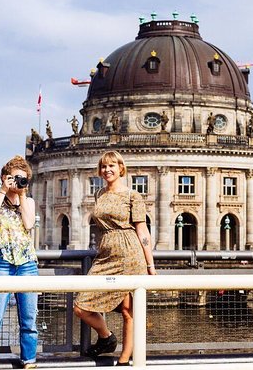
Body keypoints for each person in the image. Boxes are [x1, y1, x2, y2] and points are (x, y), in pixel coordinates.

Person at [73, 151, 156, 366]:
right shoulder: (99, 193)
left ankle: (124, 359)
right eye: (103, 166)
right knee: (80, 306)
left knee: (128, 312)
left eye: (112, 165)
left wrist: (150, 264)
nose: (107, 170)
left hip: (130, 254)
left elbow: (142, 230)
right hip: (105, 255)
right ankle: (107, 337)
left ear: (121, 168)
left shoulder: (132, 196)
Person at [0, 155, 38, 370]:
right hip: (0, 262)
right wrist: (3, 191)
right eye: (15, 178)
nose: (19, 183)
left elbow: (29, 224)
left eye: (23, 179)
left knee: (29, 319)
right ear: (5, 177)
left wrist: (22, 196)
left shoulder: (28, 201)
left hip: (27, 263)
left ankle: (29, 360)